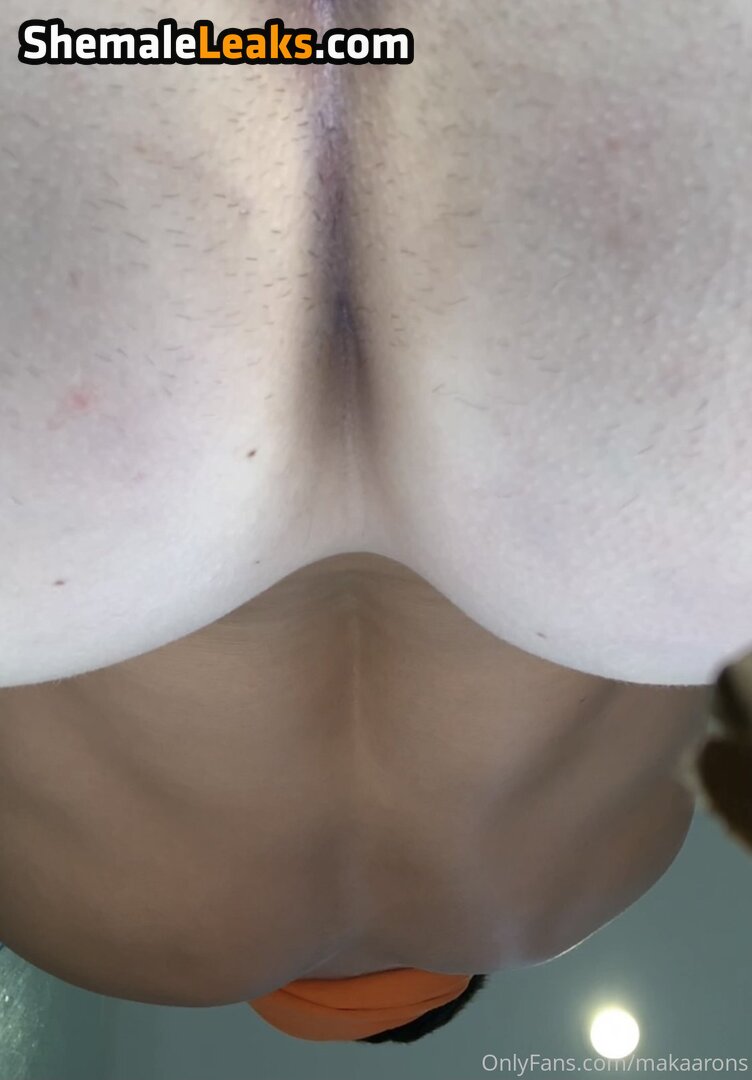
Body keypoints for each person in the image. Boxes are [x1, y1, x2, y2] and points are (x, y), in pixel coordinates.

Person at [0, 1, 749, 1044]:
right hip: (63, 534)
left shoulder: (592, 886)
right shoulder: (102, 938)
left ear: (455, 982)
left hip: (640, 508)